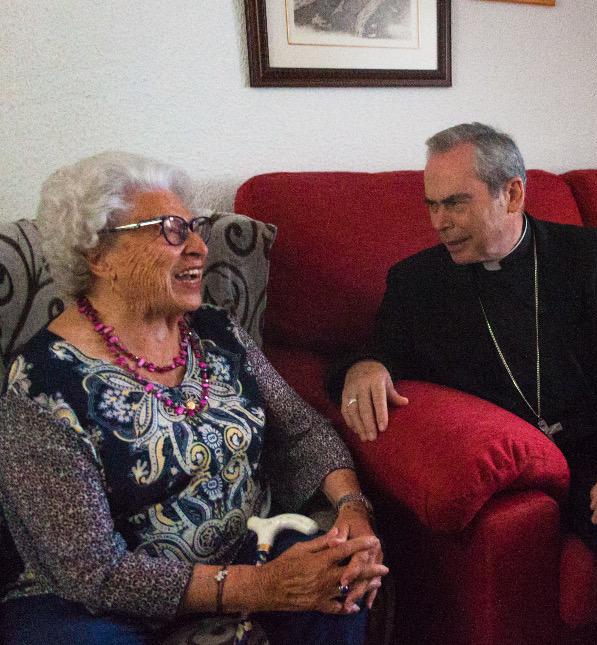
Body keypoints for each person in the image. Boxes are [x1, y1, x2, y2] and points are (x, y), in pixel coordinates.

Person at [327, 122, 597, 644]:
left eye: (456, 204)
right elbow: (359, 356)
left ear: (512, 193)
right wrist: (364, 366)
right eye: (432, 205)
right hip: (572, 457)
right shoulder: (418, 284)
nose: (439, 223)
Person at [0, 152, 388, 645]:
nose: (201, 247)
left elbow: (302, 430)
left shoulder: (215, 330)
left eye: (195, 227)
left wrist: (352, 509)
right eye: (172, 230)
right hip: (94, 605)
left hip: (245, 545)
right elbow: (92, 570)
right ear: (97, 255)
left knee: (342, 582)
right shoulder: (41, 387)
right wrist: (258, 588)